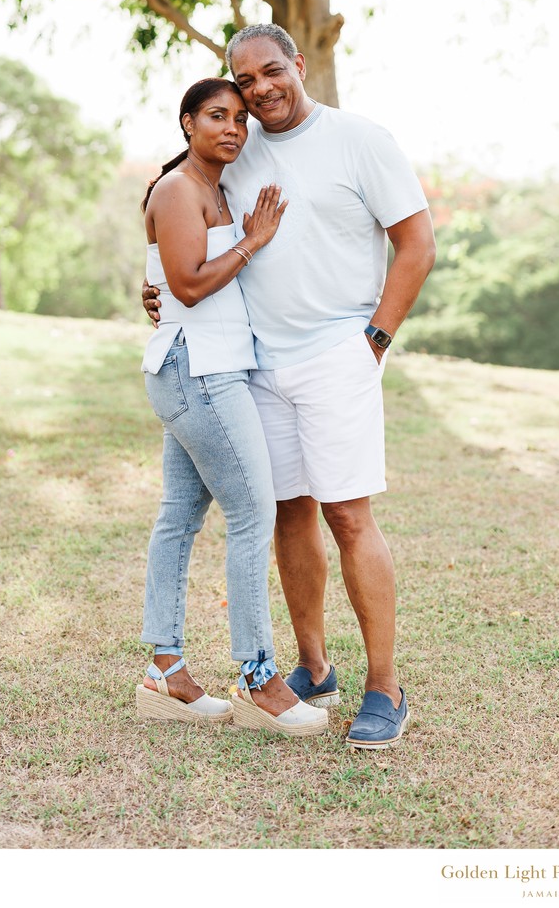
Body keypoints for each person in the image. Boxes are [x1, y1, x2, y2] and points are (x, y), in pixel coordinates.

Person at [144, 28, 436, 749]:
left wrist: (374, 340)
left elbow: (417, 243)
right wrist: (159, 291)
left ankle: (385, 687)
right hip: (255, 363)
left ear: (299, 65)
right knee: (288, 514)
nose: (260, 90)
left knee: (348, 516)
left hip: (338, 353)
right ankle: (312, 666)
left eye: (272, 72)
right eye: (244, 82)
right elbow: (184, 230)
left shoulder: (359, 139)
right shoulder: (237, 147)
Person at [137, 77, 327, 737]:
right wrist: (254, 240)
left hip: (205, 366)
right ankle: (257, 678)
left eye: (241, 119)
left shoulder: (214, 189)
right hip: (199, 372)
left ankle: (166, 671)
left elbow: (170, 277)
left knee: (179, 516)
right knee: (253, 513)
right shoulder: (177, 189)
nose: (233, 128)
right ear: (187, 122)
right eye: (217, 115)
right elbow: (187, 287)